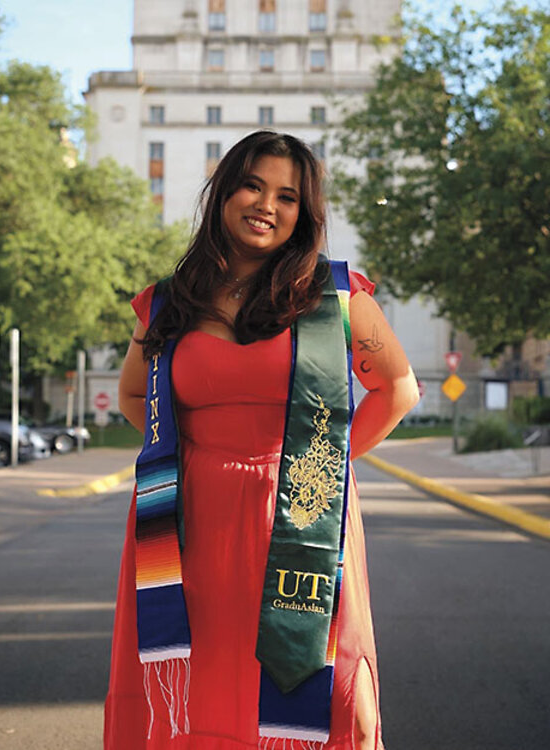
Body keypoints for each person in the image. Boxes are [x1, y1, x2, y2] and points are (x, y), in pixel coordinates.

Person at [106, 130, 419, 750]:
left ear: (305, 214)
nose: (266, 205)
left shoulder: (335, 297)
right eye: (253, 185)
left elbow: (398, 390)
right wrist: (191, 455)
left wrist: (321, 463)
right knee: (198, 678)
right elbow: (133, 395)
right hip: (189, 520)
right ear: (224, 193)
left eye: (288, 196)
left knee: (325, 686)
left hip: (304, 513)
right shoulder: (170, 305)